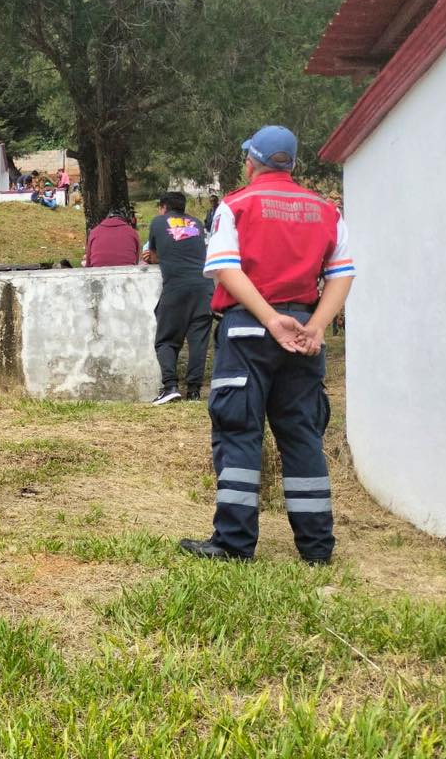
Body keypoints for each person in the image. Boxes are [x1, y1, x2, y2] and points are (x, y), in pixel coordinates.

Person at [179, 125, 355, 565]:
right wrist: (314, 326)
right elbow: (342, 273)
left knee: (238, 431)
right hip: (303, 334)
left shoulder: (235, 206)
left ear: (250, 162)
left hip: (247, 329)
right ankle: (317, 549)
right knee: (302, 435)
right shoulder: (326, 210)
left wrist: (269, 319)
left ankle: (234, 543)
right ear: (292, 164)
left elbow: (225, 269)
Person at [144, 191, 214, 404]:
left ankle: (170, 386)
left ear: (163, 207)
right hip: (204, 287)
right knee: (198, 341)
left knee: (166, 340)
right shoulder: (197, 223)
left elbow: (154, 254)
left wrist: (152, 258)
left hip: (176, 288)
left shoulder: (158, 222)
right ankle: (194, 391)